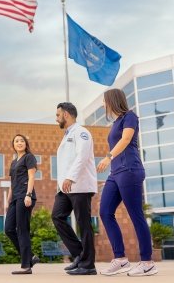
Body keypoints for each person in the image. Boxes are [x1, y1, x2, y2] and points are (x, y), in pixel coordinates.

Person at [97, 88, 158, 277]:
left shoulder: (129, 117)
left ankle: (147, 262)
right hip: (115, 174)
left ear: (112, 101)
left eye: (104, 100)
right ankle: (121, 259)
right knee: (105, 212)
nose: (102, 104)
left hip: (130, 170)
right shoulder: (115, 122)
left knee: (136, 215)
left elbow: (126, 139)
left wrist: (108, 157)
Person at [52, 102, 98, 276]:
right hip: (65, 187)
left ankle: (88, 265)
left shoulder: (82, 132)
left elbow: (82, 156)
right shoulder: (68, 134)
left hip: (79, 185)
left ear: (65, 115)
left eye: (58, 115)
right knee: (57, 216)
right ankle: (79, 254)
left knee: (83, 223)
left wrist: (71, 177)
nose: (56, 119)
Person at [4, 134, 40, 275]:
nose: (19, 143)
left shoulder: (29, 157)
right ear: (13, 145)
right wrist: (8, 199)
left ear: (26, 143)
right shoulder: (14, 162)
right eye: (16, 141)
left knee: (22, 229)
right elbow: (12, 183)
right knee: (8, 229)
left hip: (25, 197)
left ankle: (26, 265)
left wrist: (28, 194)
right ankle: (30, 257)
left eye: (22, 141)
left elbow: (31, 176)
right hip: (15, 198)